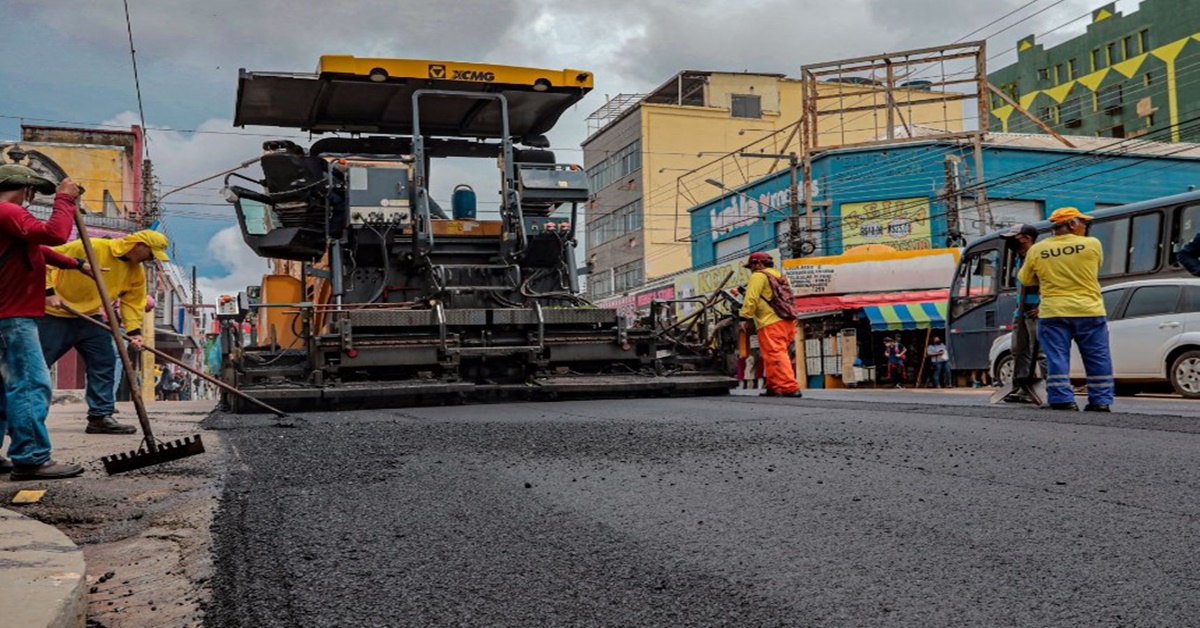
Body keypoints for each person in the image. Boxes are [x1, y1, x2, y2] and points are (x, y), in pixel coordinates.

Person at [0, 166, 89, 480]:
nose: (33, 198)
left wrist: (75, 264)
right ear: (25, 189)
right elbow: (54, 234)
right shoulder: (6, 210)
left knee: (4, 390)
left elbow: (37, 249)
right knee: (28, 385)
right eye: (33, 192)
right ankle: (31, 458)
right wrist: (64, 201)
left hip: (8, 316)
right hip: (13, 319)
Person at [42, 229, 170, 433]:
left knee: (105, 361)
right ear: (139, 245)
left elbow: (132, 302)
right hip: (54, 314)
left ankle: (100, 416)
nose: (151, 259)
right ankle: (11, 417)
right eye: (151, 253)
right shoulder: (92, 247)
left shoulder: (136, 271)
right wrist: (48, 292)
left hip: (90, 317)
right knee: (33, 367)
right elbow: (44, 259)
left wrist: (135, 331)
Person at [1017, 207, 1113, 411]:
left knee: (1057, 356)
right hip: (1089, 310)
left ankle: (1062, 399)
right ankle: (1101, 401)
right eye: (1082, 223)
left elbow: (1025, 279)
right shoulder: (1092, 244)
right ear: (1071, 224)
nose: (1085, 227)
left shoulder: (1037, 249)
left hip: (1054, 312)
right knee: (1098, 356)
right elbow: (1095, 268)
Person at [738, 251, 802, 397]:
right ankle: (774, 386)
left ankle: (790, 387)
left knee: (776, 354)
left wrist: (744, 317)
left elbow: (751, 299)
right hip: (786, 321)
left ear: (759, 264)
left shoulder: (758, 276)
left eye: (752, 266)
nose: (751, 270)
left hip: (770, 322)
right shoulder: (779, 276)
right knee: (771, 355)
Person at [999, 223, 1047, 402]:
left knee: (1038, 352)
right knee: (1018, 350)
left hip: (1035, 311)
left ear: (1027, 238)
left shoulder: (1039, 256)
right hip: (1021, 311)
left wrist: (1043, 306)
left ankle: (1040, 385)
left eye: (1015, 237)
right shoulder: (1019, 258)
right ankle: (1021, 386)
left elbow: (1047, 281)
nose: (1011, 242)